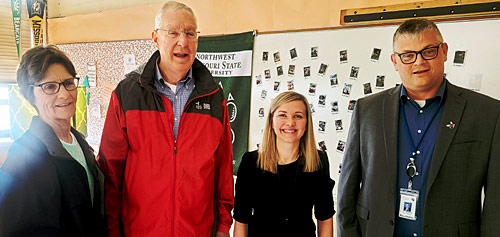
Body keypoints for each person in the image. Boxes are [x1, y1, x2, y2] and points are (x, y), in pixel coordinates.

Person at [337, 18, 500, 237]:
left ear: (444, 52)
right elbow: (346, 191)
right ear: (395, 61)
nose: (418, 62)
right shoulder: (367, 110)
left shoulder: (487, 112)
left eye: (428, 51)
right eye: (408, 55)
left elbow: (496, 203)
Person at [97, 1, 233, 236]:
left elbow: (222, 166)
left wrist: (223, 226)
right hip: (140, 230)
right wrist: (111, 229)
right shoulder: (127, 94)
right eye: (173, 32)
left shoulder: (213, 97)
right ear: (156, 38)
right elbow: (110, 171)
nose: (183, 41)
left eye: (190, 33)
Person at [0, 45, 107, 236]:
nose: (64, 94)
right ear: (29, 95)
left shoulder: (81, 144)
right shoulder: (23, 156)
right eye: (50, 87)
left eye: (68, 82)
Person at [233, 91, 335, 237]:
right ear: (271, 121)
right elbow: (241, 219)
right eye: (282, 115)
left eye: (298, 116)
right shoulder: (251, 162)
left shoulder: (319, 160)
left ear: (306, 123)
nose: (290, 122)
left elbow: (324, 216)